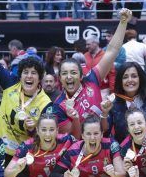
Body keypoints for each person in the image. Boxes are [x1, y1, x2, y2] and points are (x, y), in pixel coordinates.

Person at [0, 16, 52, 157]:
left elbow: (47, 135)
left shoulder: (46, 104)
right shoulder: (11, 83)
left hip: (22, 157)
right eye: (25, 72)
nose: (29, 76)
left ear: (40, 78)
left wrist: (33, 130)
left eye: (33, 73)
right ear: (20, 75)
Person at [50, 9, 132, 138]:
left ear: (81, 75)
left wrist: (123, 22)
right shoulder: (58, 106)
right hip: (81, 151)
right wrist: (75, 118)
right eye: (64, 73)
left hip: (105, 140)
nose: (69, 76)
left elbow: (112, 50)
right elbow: (74, 138)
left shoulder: (92, 79)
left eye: (73, 72)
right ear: (59, 78)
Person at [50, 116, 125, 177]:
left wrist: (114, 175)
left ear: (102, 134)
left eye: (96, 133)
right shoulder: (73, 151)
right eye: (88, 134)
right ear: (82, 135)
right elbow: (53, 176)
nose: (92, 138)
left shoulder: (111, 145)